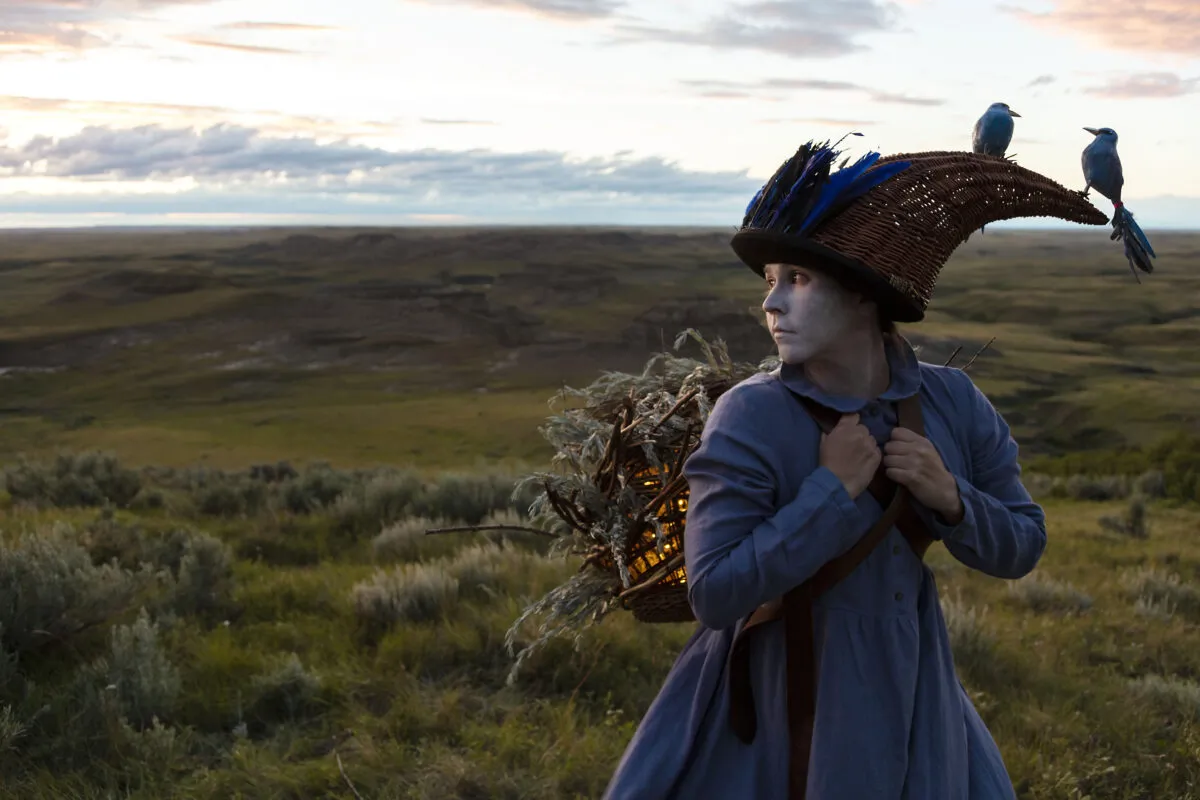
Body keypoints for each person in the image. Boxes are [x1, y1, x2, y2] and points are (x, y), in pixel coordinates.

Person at [601, 141, 1109, 799]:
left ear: (866, 296)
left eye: (798, 280)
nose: (772, 305)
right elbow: (717, 593)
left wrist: (951, 498)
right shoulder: (750, 415)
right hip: (774, 707)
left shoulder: (951, 402)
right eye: (769, 281)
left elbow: (1023, 545)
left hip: (914, 691)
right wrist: (829, 492)